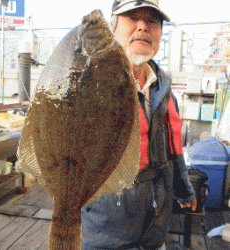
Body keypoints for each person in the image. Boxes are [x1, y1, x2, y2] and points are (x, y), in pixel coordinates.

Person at [81, 1, 197, 249]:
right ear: (113, 28)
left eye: (152, 21)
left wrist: (184, 191)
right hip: (106, 230)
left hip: (155, 225)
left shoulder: (164, 89)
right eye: (132, 17)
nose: (143, 26)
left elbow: (175, 148)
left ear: (160, 33)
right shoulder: (89, 84)